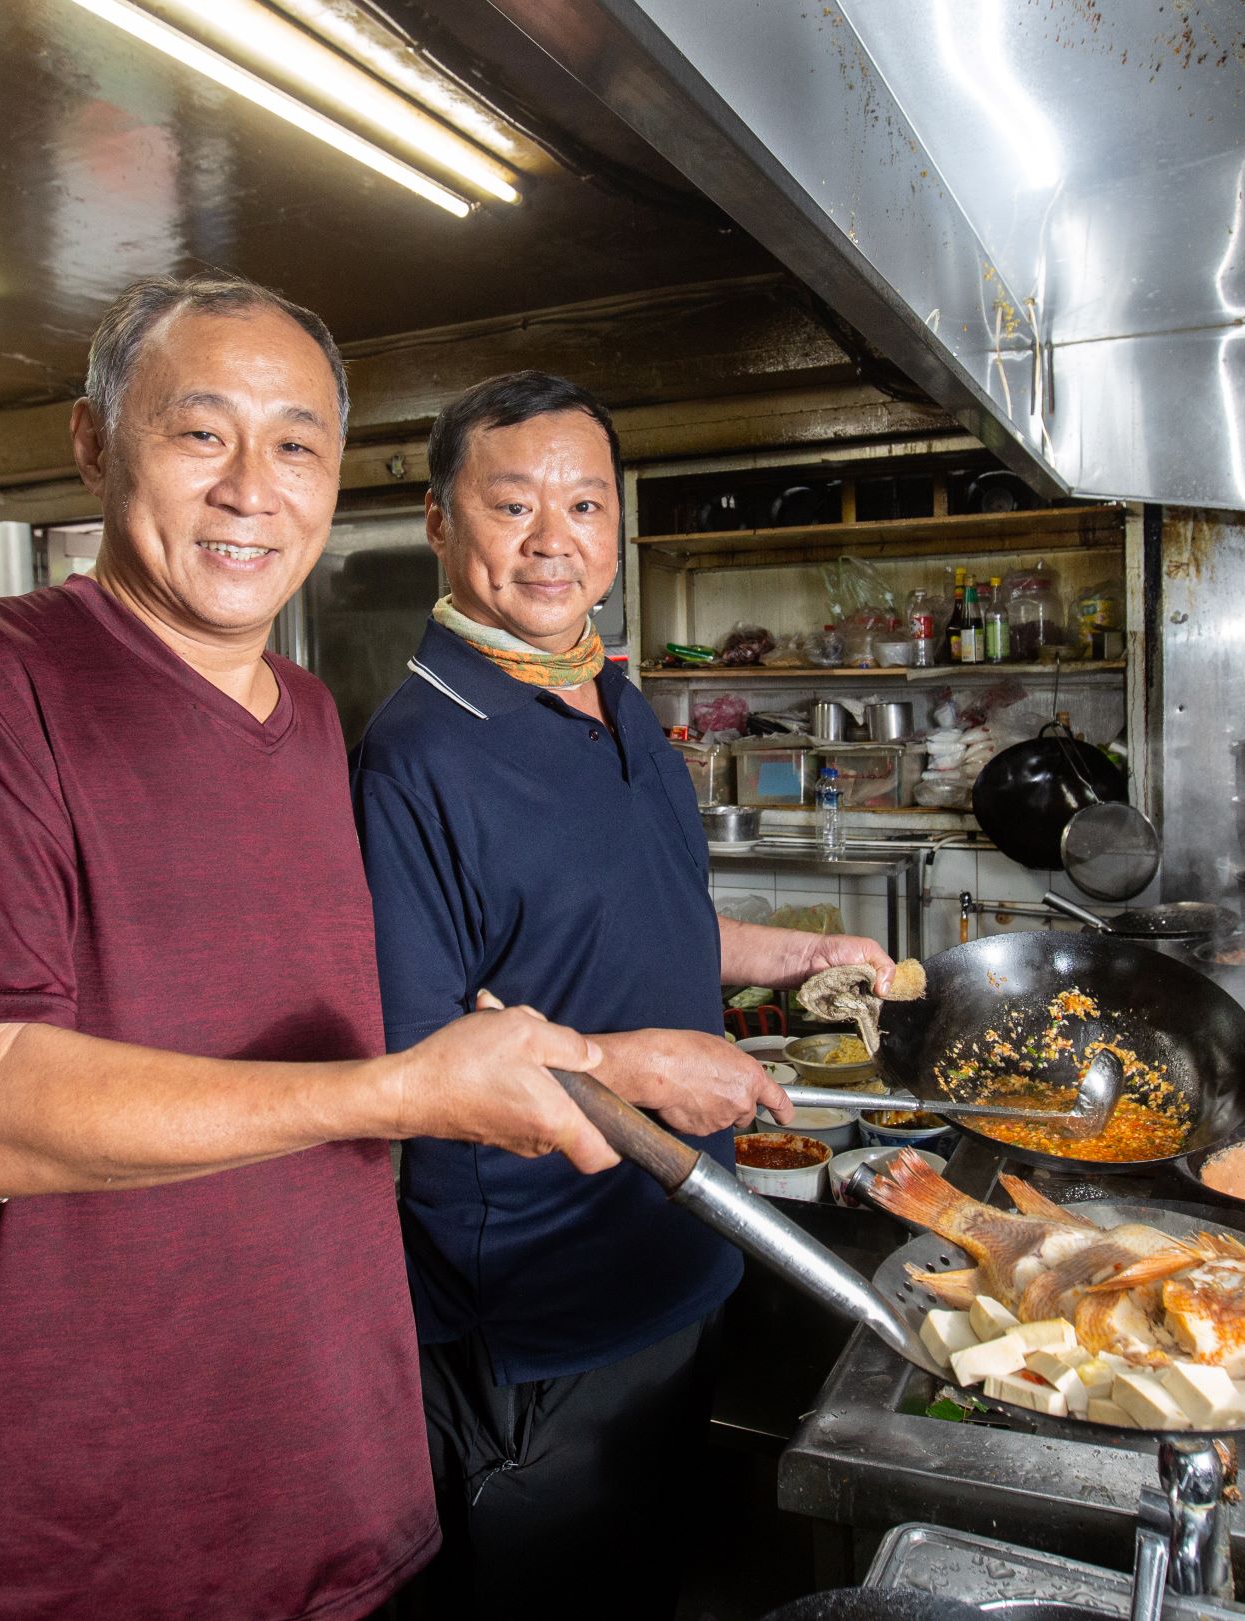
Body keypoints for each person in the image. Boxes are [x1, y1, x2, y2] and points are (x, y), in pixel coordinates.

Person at [0, 279, 619, 1621]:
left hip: (333, 1484)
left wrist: (593, 1056)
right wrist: (398, 1095)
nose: (253, 488)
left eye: (295, 444)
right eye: (201, 435)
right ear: (95, 442)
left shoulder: (304, 717)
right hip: (68, 1534)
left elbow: (316, 1022)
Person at [353, 370, 900, 1619]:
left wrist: (792, 956)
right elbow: (415, 1051)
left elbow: (643, 921)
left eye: (587, 506)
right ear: (442, 523)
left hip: (685, 1248)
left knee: (660, 1575)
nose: (556, 541)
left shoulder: (612, 692)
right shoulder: (414, 754)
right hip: (543, 1310)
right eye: (513, 506)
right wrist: (632, 1069)